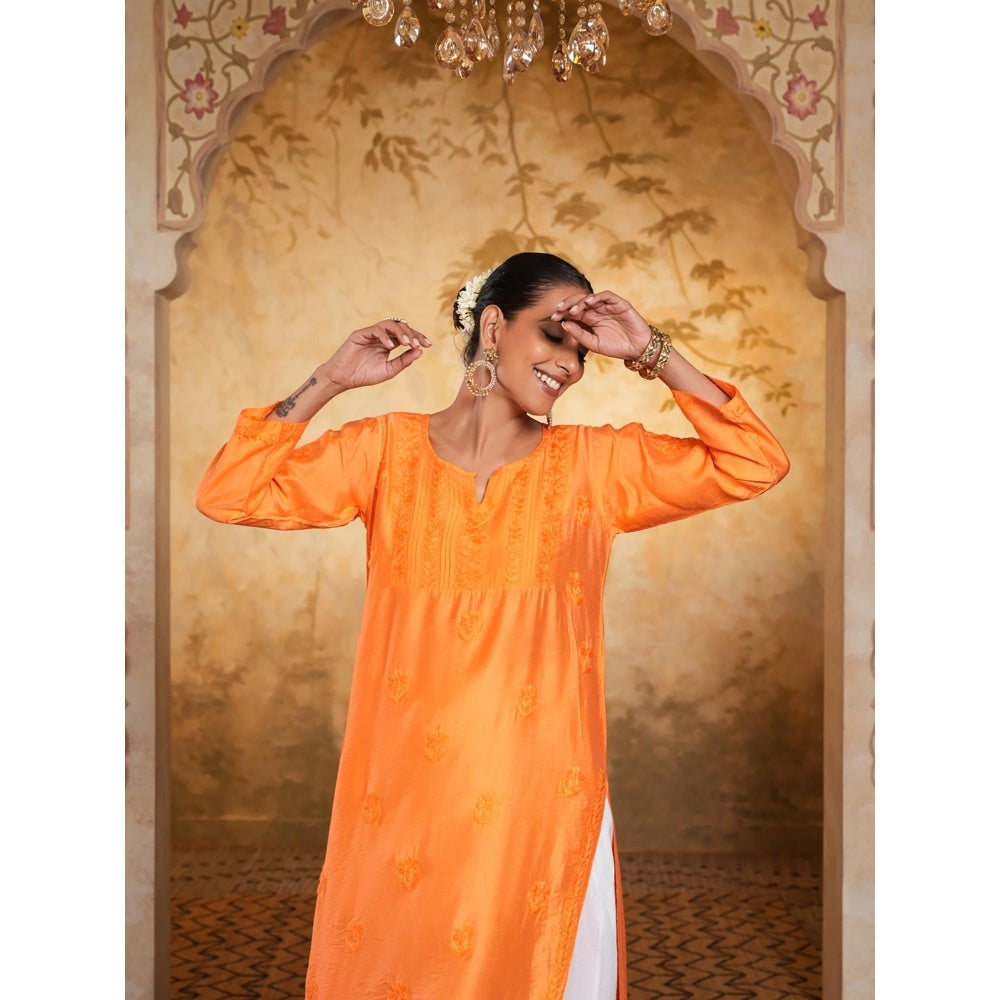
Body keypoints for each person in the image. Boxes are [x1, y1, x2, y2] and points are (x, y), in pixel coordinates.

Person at [196, 251, 790, 1000]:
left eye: (582, 352)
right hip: (401, 802)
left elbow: (754, 462)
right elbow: (228, 492)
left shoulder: (596, 465)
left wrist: (652, 352)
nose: (570, 364)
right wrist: (330, 381)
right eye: (554, 336)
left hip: (541, 805)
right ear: (493, 325)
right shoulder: (382, 451)